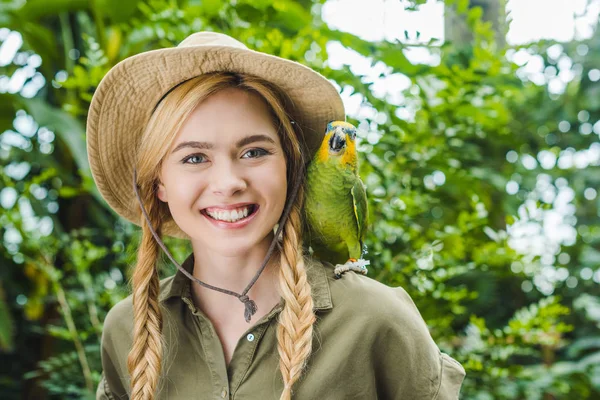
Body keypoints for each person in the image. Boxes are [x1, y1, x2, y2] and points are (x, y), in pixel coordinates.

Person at [87, 31, 465, 400]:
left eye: (254, 152)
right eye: (194, 158)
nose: (229, 182)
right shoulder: (128, 330)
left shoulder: (376, 320)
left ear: (290, 167)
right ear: (159, 184)